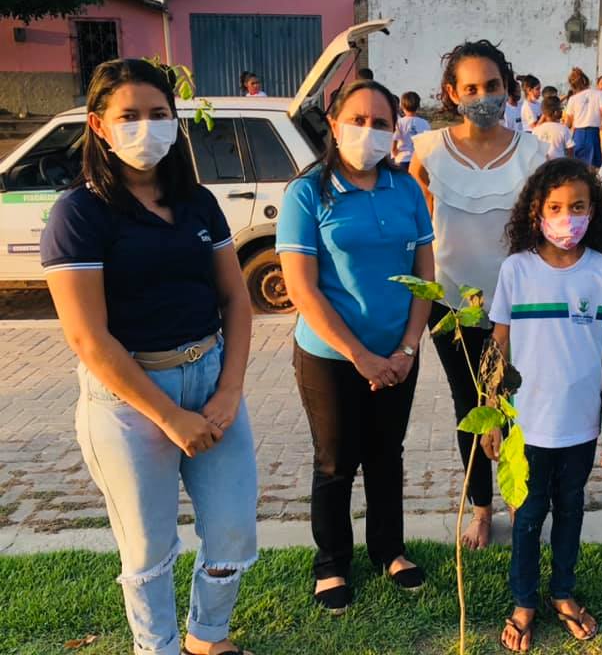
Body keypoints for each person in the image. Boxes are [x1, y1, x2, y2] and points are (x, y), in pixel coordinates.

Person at [40, 58, 258, 655]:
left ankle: (205, 637)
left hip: (211, 381)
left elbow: (236, 298)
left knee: (233, 533)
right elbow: (88, 338)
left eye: (159, 114)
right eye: (129, 116)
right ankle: (155, 647)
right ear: (99, 125)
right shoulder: (78, 215)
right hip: (129, 401)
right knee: (147, 547)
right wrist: (169, 416)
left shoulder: (198, 203)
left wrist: (229, 391)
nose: (147, 127)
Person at [277, 79, 434, 613]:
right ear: (335, 124)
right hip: (330, 356)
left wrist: (408, 349)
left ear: (396, 130)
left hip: (398, 353)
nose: (369, 132)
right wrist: (360, 355)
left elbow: (424, 272)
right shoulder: (307, 193)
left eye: (381, 123)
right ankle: (331, 564)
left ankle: (389, 550)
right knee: (336, 460)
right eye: (358, 120)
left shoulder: (406, 189)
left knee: (387, 455)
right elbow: (301, 288)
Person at [409, 40, 548, 550]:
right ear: (452, 94)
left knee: (515, 402)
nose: (482, 96)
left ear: (507, 90)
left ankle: (521, 495)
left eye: (492, 86)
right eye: (470, 88)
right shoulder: (427, 152)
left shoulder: (533, 152)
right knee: (469, 404)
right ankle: (483, 507)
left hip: (520, 306)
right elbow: (413, 216)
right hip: (453, 308)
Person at [486, 158, 602, 653]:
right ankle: (524, 601)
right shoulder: (515, 271)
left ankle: (563, 593)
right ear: (536, 212)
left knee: (571, 510)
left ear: (593, 212)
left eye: (579, 207)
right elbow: (498, 346)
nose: (568, 216)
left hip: (581, 427)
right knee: (527, 517)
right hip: (527, 427)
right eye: (556, 207)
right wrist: (494, 416)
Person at [563, 67, 602, 167]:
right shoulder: (598, 94)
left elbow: (568, 124)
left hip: (577, 135)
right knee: (593, 169)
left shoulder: (573, 99)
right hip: (592, 134)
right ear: (586, 80)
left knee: (577, 167)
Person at [392, 91, 431, 173]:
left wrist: (394, 152)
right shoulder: (424, 123)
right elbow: (428, 143)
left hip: (402, 159)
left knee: (401, 184)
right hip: (419, 160)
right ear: (418, 106)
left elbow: (394, 140)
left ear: (401, 106)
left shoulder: (399, 122)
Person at [532, 95, 574, 160]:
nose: (562, 111)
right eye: (561, 108)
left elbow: (534, 150)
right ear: (555, 112)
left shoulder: (536, 130)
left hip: (542, 166)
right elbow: (570, 150)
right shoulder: (563, 129)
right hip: (558, 165)